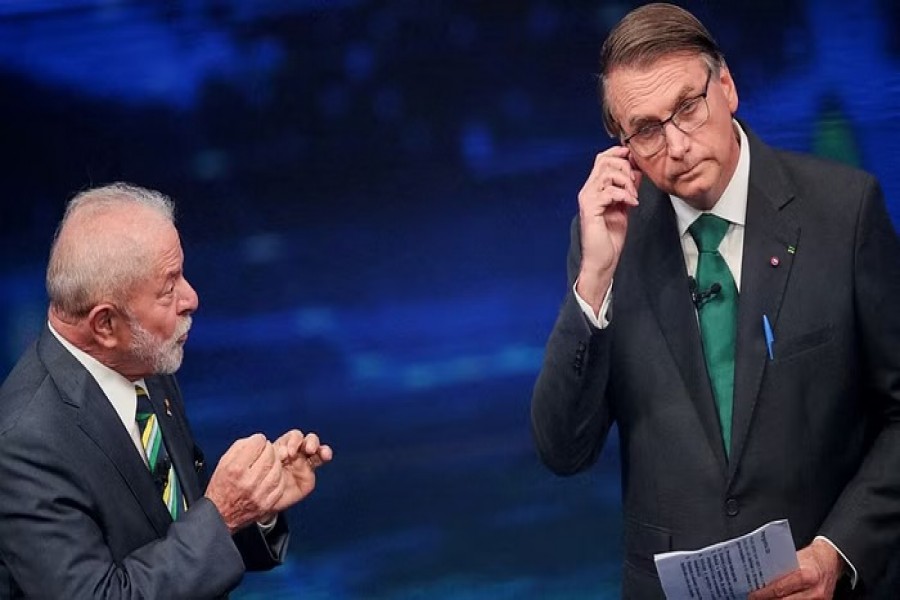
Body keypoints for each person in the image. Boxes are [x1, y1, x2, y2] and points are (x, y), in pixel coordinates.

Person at [531, 3, 900, 599]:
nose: (675, 145)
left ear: (725, 86)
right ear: (623, 144)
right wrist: (595, 277)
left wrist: (838, 551)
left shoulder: (844, 212)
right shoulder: (606, 239)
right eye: (646, 130)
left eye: (687, 107)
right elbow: (563, 450)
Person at [0, 183, 333, 599]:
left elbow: (173, 535)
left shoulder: (143, 363)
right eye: (168, 288)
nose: (191, 298)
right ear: (105, 325)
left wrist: (255, 507)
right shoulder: (22, 445)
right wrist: (222, 516)